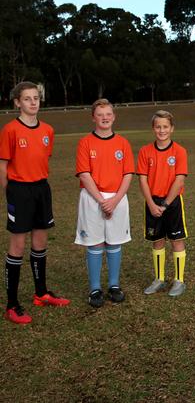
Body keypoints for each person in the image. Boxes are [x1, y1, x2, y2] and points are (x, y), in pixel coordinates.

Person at [1, 81, 69, 324]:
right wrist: (9, 193)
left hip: (42, 188)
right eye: (27, 98)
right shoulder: (10, 130)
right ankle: (12, 304)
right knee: (18, 245)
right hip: (19, 190)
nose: (32, 102)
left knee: (40, 241)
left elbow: (42, 158)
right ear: (18, 102)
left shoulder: (48, 130)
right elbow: (3, 165)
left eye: (35, 98)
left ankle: (41, 293)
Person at [74, 98, 134, 308]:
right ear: (93, 118)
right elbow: (84, 174)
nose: (105, 118)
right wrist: (101, 201)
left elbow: (128, 174)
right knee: (95, 242)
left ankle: (114, 285)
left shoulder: (123, 143)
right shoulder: (85, 142)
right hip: (92, 199)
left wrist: (114, 200)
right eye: (100, 115)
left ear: (114, 117)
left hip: (117, 198)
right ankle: (95, 288)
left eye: (108, 114)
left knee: (114, 241)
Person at [137, 110, 189, 297]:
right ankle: (159, 279)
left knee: (176, 240)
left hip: (172, 202)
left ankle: (179, 281)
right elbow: (142, 180)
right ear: (153, 129)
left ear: (172, 128)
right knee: (157, 241)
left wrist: (165, 204)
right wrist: (151, 204)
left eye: (165, 126)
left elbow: (180, 180)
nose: (162, 130)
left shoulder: (180, 151)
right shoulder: (145, 151)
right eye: (158, 127)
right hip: (152, 201)